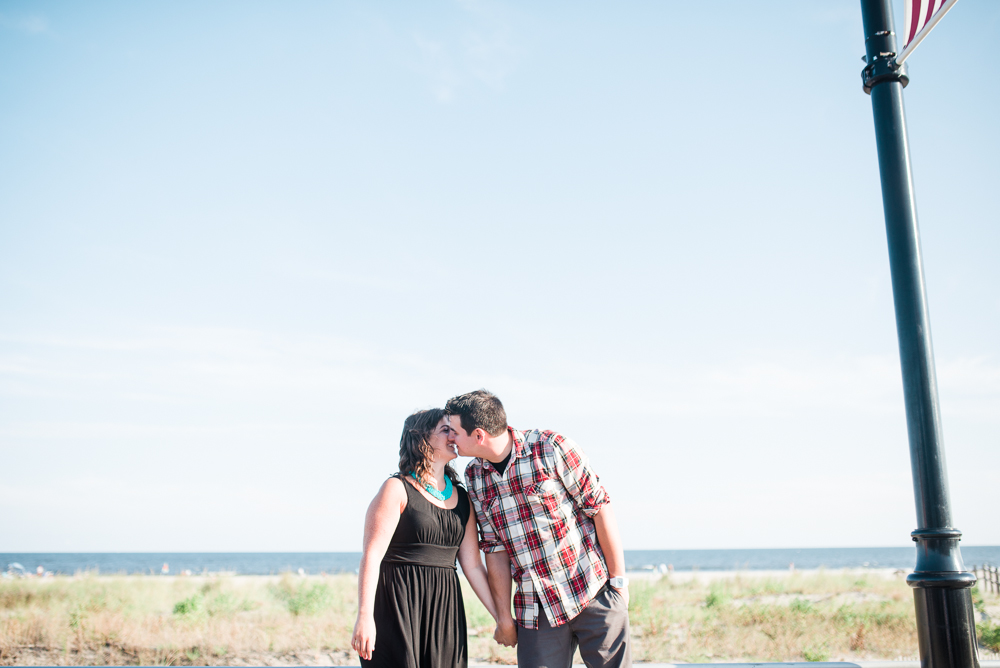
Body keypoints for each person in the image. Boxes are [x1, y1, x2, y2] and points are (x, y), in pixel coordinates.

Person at [446, 390, 631, 668]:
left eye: (453, 431)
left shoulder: (552, 447)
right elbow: (494, 549)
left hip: (592, 591)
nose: (450, 438)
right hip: (536, 611)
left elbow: (599, 506)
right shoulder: (474, 476)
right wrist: (504, 617)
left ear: (479, 435)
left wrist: (617, 581)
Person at [351, 408, 498, 668]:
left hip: (445, 610)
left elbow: (473, 565)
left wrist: (501, 618)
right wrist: (364, 616)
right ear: (421, 438)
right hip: (397, 607)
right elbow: (372, 556)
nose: (454, 436)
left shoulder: (463, 498)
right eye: (445, 430)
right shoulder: (396, 489)